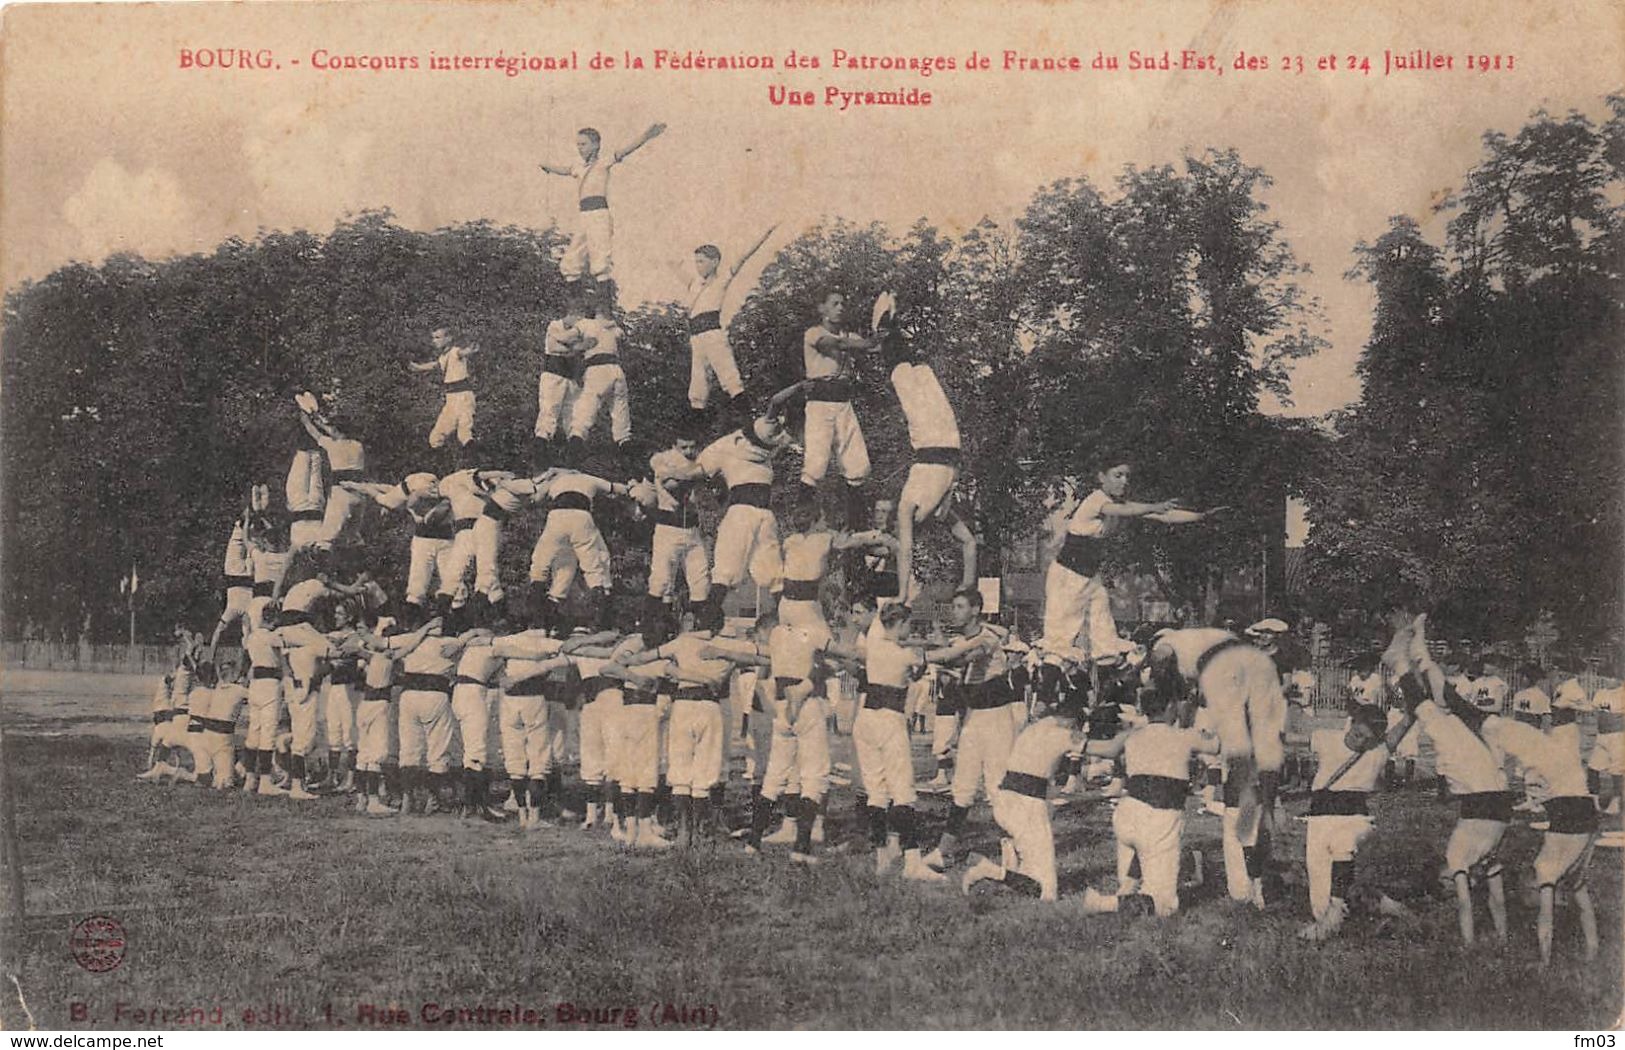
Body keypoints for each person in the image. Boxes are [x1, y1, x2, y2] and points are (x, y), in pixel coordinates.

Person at [1382, 613, 1511, 945]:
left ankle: (1414, 657)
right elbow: (1469, 903)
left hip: (1491, 792)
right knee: (1434, 710)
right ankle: (1404, 661)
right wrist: (1470, 945)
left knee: (1446, 708)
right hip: (1479, 787)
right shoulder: (1462, 860)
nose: (1445, 881)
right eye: (1446, 883)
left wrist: (1500, 937)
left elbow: (1494, 899)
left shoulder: (1478, 858)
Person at [1039, 456, 1220, 661]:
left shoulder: (1119, 503)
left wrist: (1200, 517)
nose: (1124, 481)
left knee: (1105, 638)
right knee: (1058, 644)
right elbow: (1125, 510)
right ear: (1101, 477)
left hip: (1090, 577)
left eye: (1127, 476)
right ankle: (1048, 684)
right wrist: (1154, 506)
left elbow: (1164, 516)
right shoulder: (1096, 500)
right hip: (1067, 576)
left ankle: (1108, 684)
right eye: (1117, 475)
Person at [1077, 682, 1218, 916]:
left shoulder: (1131, 736)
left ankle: (1131, 884)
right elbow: (1216, 745)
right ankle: (1102, 904)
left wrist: (1075, 742)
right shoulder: (1185, 736)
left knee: (1143, 852)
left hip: (1127, 817)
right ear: (1171, 707)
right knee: (1164, 905)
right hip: (1160, 818)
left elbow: (1107, 749)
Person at [1478, 699, 1600, 963]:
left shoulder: (1546, 871)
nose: (1528, 892)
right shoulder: (1552, 864)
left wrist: (1544, 962)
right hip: (1580, 813)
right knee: (1578, 888)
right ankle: (1593, 950)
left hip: (1574, 814)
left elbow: (1546, 918)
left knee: (1572, 888)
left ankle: (1574, 953)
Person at [873, 300, 977, 604]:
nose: (888, 520)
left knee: (921, 376)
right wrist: (903, 595)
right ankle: (885, 332)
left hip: (949, 443)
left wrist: (967, 586)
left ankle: (892, 331)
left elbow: (970, 543)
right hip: (932, 441)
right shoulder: (911, 510)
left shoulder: (938, 512)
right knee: (907, 380)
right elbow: (905, 550)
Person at [1297, 703, 1414, 941]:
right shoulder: (1325, 739)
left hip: (1355, 817)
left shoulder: (1379, 750)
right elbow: (1289, 738)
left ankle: (1339, 908)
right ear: (1350, 724)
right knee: (1320, 905)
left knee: (1344, 843)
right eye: (1357, 734)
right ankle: (1379, 903)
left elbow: (1404, 724)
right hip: (1319, 816)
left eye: (1367, 739)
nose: (1360, 742)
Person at [921, 588, 1017, 871]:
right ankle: (942, 852)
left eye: (961, 606)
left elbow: (963, 657)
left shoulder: (987, 637)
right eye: (954, 606)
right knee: (962, 787)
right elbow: (958, 672)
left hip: (998, 720)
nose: (955, 611)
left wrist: (923, 656)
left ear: (976, 610)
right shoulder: (961, 639)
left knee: (997, 789)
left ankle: (1012, 854)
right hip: (975, 719)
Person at [857, 602, 947, 882]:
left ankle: (882, 855)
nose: (911, 629)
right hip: (889, 719)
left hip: (866, 719)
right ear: (901, 624)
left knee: (876, 789)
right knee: (903, 790)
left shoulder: (874, 644)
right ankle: (911, 860)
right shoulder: (904, 654)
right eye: (908, 624)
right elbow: (934, 658)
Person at [694, 386, 802, 613]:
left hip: (765, 514)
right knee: (726, 570)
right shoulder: (736, 441)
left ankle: (788, 623)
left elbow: (789, 432)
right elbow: (775, 400)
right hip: (741, 512)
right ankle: (706, 621)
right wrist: (800, 386)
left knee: (773, 572)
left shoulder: (768, 443)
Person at [539, 123, 667, 290]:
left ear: (596, 145)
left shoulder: (603, 162)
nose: (580, 148)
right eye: (578, 144)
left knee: (600, 259)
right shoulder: (578, 167)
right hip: (583, 215)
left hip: (599, 214)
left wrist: (646, 136)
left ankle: (603, 312)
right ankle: (574, 311)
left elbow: (626, 150)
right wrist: (547, 166)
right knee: (571, 261)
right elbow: (563, 170)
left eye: (583, 144)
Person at [799, 291, 881, 528]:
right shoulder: (814, 333)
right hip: (820, 404)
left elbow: (871, 348)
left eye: (843, 303)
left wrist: (885, 336)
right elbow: (837, 344)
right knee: (816, 465)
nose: (840, 307)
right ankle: (802, 523)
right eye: (834, 303)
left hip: (844, 403)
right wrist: (871, 342)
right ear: (821, 308)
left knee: (858, 466)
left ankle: (855, 527)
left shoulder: (851, 336)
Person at [680, 227, 775, 428]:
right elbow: (672, 264)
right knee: (697, 389)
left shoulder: (721, 280)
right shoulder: (694, 285)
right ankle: (695, 436)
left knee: (730, 379)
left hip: (712, 333)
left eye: (701, 261)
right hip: (696, 338)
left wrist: (766, 232)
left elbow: (743, 256)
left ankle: (750, 427)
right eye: (695, 262)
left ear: (714, 262)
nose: (697, 266)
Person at [526, 469, 632, 632]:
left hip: (557, 517)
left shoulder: (556, 480)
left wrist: (546, 482)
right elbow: (620, 489)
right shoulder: (589, 478)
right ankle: (601, 622)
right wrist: (632, 486)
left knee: (541, 566)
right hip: (582, 517)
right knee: (593, 567)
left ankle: (539, 622)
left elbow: (536, 498)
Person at [645, 434, 710, 629]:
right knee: (661, 581)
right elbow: (672, 486)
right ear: (674, 445)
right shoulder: (662, 458)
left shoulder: (699, 459)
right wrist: (698, 474)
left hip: (692, 529)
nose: (689, 452)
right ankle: (649, 628)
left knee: (700, 579)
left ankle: (702, 627)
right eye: (684, 447)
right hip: (668, 527)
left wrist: (689, 474)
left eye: (692, 446)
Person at [565, 295, 633, 473]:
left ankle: (571, 463)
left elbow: (568, 339)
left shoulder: (585, 323)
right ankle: (631, 468)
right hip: (617, 371)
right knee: (621, 422)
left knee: (582, 418)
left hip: (597, 369)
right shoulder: (613, 327)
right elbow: (622, 339)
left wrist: (578, 347)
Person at [408, 327, 481, 460]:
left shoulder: (455, 351)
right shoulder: (444, 356)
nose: (434, 341)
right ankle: (444, 467)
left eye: (438, 337)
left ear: (448, 339)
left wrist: (471, 349)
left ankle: (474, 465)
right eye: (433, 338)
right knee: (435, 438)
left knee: (464, 435)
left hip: (463, 396)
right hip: (451, 399)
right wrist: (418, 367)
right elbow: (435, 365)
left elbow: (463, 352)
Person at [535, 299, 589, 470]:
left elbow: (584, 349)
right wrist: (576, 349)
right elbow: (554, 347)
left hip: (572, 377)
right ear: (574, 314)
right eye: (580, 318)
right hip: (553, 375)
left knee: (574, 418)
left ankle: (573, 463)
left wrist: (576, 348)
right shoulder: (555, 326)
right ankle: (540, 462)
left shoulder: (578, 332)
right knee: (549, 414)